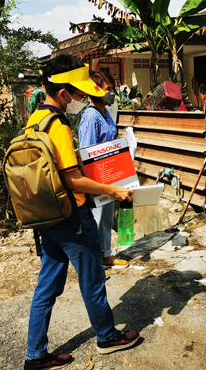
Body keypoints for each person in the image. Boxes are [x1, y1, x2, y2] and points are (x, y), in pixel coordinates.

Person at [23, 55, 140, 370]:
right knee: (92, 280)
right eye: (77, 94)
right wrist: (113, 190)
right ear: (63, 94)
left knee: (47, 285)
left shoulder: (34, 120)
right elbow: (71, 178)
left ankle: (35, 354)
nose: (80, 99)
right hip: (71, 216)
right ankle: (107, 337)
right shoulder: (58, 122)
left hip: (46, 216)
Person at [78, 70, 128, 269]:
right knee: (97, 218)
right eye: (108, 89)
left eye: (112, 88)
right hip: (97, 176)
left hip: (111, 172)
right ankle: (94, 261)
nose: (112, 93)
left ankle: (105, 255)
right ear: (95, 90)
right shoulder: (90, 117)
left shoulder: (105, 112)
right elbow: (87, 151)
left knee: (106, 216)